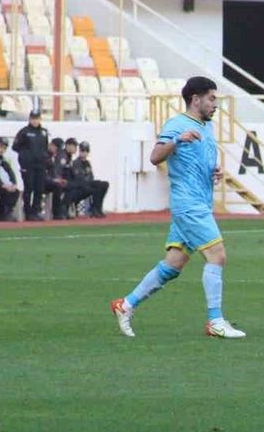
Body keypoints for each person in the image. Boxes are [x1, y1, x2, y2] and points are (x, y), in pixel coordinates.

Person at [111, 76, 244, 339]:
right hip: (189, 205)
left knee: (173, 265)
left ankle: (125, 305)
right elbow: (155, 156)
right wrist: (178, 140)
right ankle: (215, 322)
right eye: (211, 98)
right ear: (196, 99)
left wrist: (215, 172)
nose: (215, 104)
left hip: (198, 203)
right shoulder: (177, 124)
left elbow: (197, 163)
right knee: (217, 255)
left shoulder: (207, 128)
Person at [14, 108, 50, 220]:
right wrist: (26, 156)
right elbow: (16, 147)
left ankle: (36, 211)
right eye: (33, 118)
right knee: (28, 188)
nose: (35, 121)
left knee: (39, 189)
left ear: (40, 119)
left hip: (40, 165)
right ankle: (28, 211)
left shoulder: (44, 132)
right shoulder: (24, 132)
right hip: (28, 165)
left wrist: (44, 159)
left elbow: (45, 148)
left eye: (37, 118)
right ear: (30, 119)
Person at [65, 140, 109, 218]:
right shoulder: (76, 163)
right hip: (79, 188)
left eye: (86, 151)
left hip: (87, 185)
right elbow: (79, 178)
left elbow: (91, 176)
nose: (84, 153)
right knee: (95, 189)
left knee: (104, 184)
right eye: (83, 151)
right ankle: (94, 209)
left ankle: (97, 208)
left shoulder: (87, 163)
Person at [0, 137, 22, 221]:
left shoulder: (0, 158)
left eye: (4, 148)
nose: (2, 150)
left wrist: (14, 183)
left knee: (15, 191)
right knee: (1, 189)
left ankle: (5, 213)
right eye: (0, 147)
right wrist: (2, 184)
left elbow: (9, 170)